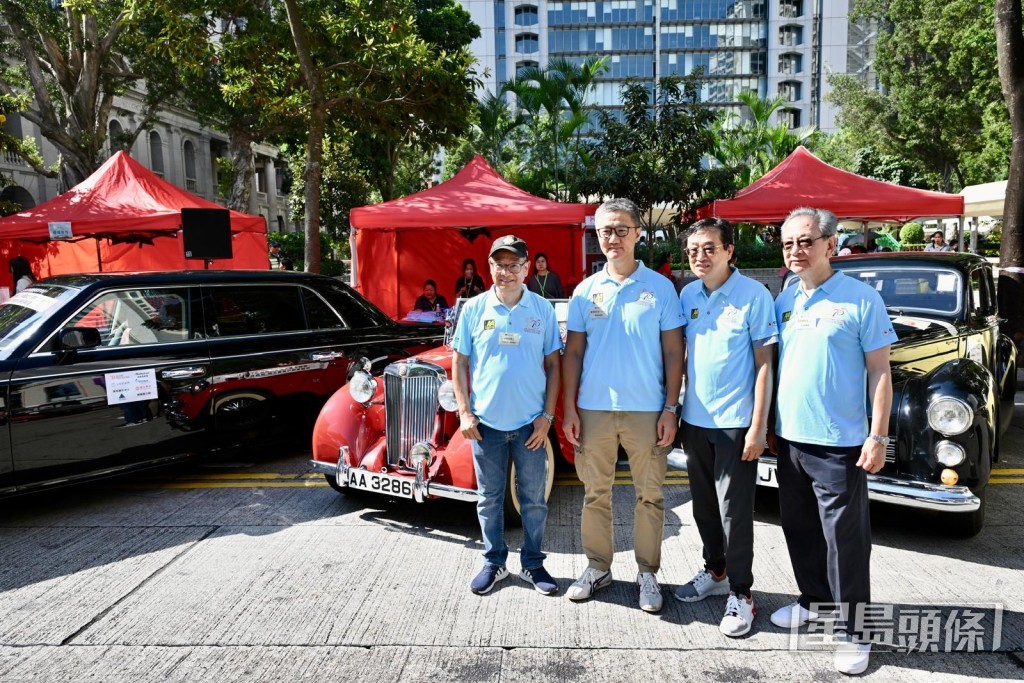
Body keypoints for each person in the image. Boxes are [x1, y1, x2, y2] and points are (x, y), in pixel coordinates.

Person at [769, 207, 894, 676]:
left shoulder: (861, 300)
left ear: (829, 244)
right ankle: (815, 602)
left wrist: (877, 434)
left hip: (839, 444)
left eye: (804, 241)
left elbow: (880, 372)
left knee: (845, 541)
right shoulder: (785, 300)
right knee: (798, 529)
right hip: (790, 441)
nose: (796, 251)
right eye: (788, 244)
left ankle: (855, 631)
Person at [562, 198, 684, 613]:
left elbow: (673, 352)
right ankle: (598, 567)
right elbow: (573, 354)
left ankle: (647, 574)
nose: (611, 239)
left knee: (649, 495)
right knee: (596, 493)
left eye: (619, 230)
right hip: (593, 409)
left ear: (637, 233)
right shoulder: (585, 291)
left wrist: (671, 407)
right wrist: (569, 408)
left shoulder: (661, 289)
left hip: (647, 410)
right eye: (604, 232)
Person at [674, 217, 777, 638]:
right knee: (703, 509)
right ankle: (715, 570)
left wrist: (758, 426)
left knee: (735, 512)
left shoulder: (754, 296)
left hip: (736, 424)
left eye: (710, 248)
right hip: (695, 422)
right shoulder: (687, 295)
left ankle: (742, 592)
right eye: (694, 249)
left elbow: (765, 365)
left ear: (730, 251)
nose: (700, 256)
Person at [452, 235, 562, 596]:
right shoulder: (473, 309)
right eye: (500, 264)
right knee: (489, 498)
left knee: (533, 500)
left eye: (514, 265)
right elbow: (460, 361)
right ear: (490, 267)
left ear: (527, 268)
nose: (507, 272)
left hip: (530, 424)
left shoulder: (542, 310)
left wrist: (547, 416)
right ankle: (494, 562)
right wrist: (465, 412)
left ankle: (532, 564)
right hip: (486, 426)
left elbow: (554, 365)